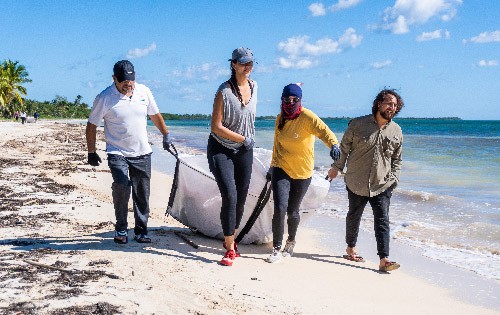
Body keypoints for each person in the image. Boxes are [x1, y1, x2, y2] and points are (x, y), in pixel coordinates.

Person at [85, 60, 171, 245]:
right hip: (117, 152)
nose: (128, 84)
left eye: (130, 80)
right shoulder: (104, 98)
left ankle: (141, 231)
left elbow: (155, 115)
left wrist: (166, 135)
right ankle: (121, 228)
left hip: (142, 152)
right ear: (114, 78)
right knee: (122, 186)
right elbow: (92, 125)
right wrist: (91, 151)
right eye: (123, 80)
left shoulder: (144, 92)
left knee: (142, 193)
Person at [328, 89, 404, 272]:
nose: (391, 107)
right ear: (379, 104)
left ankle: (384, 259)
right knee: (354, 216)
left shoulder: (396, 131)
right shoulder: (357, 124)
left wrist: (394, 179)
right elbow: (344, 149)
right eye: (388, 103)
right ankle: (351, 248)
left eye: (394, 105)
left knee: (382, 220)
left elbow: (397, 159)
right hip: (357, 180)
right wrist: (336, 168)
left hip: (382, 183)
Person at [266, 83, 341, 263]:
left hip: (302, 172)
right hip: (281, 167)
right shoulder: (280, 119)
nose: (290, 102)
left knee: (293, 211)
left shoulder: (307, 116)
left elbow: (324, 131)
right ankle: (276, 248)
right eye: (287, 99)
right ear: (282, 100)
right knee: (279, 208)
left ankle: (290, 240)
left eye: (294, 100)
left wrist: (334, 145)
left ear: (300, 100)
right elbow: (276, 144)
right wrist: (271, 166)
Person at [207, 47, 257, 266]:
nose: (248, 67)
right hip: (221, 149)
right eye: (244, 63)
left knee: (241, 198)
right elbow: (216, 127)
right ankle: (229, 247)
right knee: (230, 195)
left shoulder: (255, 87)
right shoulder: (224, 92)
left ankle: (232, 239)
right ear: (233, 65)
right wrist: (241, 138)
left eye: (251, 63)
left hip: (245, 151)